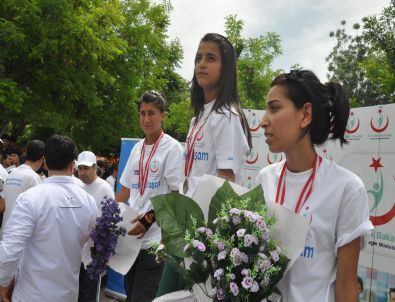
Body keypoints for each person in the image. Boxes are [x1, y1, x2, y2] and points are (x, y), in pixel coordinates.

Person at [256, 70, 373, 302]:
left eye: (274, 108)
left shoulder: (346, 188)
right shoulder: (265, 178)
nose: (263, 121)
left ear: (305, 114)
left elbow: (347, 287)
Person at [156, 33, 252, 297]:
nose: (201, 64)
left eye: (211, 58)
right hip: (186, 232)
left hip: (205, 237)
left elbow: (225, 185)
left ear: (227, 68)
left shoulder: (225, 117)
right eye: (198, 57)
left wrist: (202, 238)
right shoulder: (199, 116)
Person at [0, 135, 98, 302]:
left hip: (30, 294)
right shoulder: (88, 201)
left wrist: (3, 284)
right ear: (73, 165)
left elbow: (10, 248)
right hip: (68, 294)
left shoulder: (30, 198)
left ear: (45, 162)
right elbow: (91, 247)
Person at [116, 91, 184, 302]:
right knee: (130, 295)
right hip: (131, 242)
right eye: (142, 113)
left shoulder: (172, 147)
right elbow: (125, 191)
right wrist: (105, 218)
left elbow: (176, 196)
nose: (146, 119)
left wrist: (148, 219)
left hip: (156, 243)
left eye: (151, 113)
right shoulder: (136, 148)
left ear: (163, 115)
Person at [76, 150, 115, 302]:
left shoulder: (104, 188)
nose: (83, 172)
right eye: (80, 168)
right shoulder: (78, 187)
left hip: (94, 253)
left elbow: (111, 221)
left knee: (89, 295)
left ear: (94, 168)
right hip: (76, 251)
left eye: (86, 168)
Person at [0, 140, 45, 238]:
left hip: (5, 231)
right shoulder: (33, 177)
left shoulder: (12, 174)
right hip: (19, 235)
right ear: (42, 159)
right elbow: (39, 210)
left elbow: (2, 206)